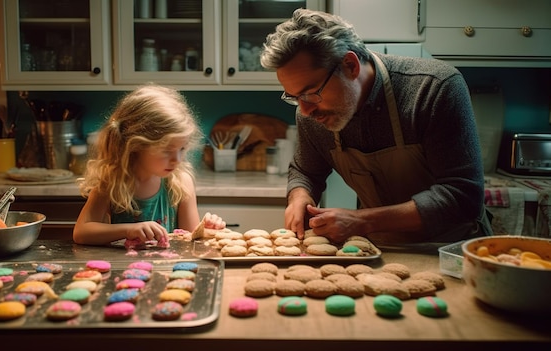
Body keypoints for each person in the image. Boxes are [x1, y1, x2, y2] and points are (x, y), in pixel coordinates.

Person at [259, 9, 492, 245]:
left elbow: (462, 196)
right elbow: (306, 171)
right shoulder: (310, 115)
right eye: (294, 97)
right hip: (380, 250)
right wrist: (299, 197)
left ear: (350, 65)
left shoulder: (433, 89)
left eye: (311, 93)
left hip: (453, 251)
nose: (305, 110)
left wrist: (363, 221)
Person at [73, 84, 225, 246]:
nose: (177, 160)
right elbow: (81, 232)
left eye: (182, 149)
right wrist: (128, 230)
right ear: (136, 145)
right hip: (125, 268)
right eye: (167, 150)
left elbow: (191, 239)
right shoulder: (112, 181)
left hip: (168, 269)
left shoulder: (181, 182)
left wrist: (207, 229)